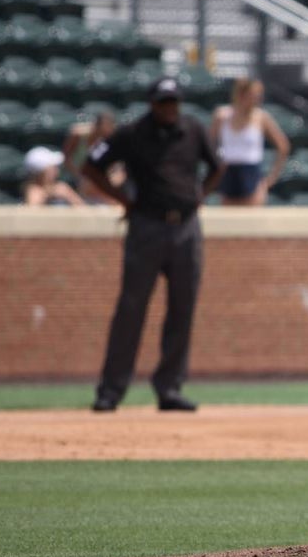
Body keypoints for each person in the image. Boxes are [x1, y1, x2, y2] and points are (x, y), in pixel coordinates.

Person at [81, 77, 225, 413]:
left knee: (182, 309)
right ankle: (111, 391)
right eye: (163, 102)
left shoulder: (193, 129)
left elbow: (218, 166)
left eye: (174, 102)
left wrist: (199, 196)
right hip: (146, 226)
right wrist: (123, 200)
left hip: (186, 228)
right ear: (152, 104)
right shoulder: (132, 134)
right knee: (131, 309)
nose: (169, 108)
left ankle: (169, 388)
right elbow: (91, 164)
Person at [209, 77, 289, 206]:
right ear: (241, 94)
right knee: (229, 222)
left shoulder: (261, 117)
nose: (258, 99)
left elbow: (283, 146)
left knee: (252, 221)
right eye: (254, 95)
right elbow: (208, 145)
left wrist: (271, 178)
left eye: (259, 95)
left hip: (251, 173)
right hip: (228, 172)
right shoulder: (222, 116)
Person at [62, 110, 127, 205]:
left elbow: (116, 165)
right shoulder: (77, 135)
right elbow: (66, 159)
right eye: (102, 131)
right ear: (96, 126)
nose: (104, 134)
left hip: (97, 176)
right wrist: (79, 174)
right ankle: (113, 203)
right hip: (75, 174)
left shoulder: (109, 139)